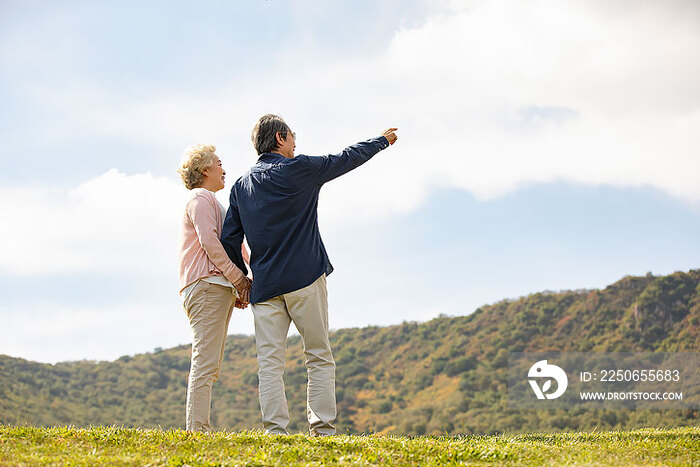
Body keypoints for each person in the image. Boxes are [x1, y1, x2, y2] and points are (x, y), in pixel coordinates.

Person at [221, 114, 397, 435]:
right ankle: (322, 430)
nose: (295, 142)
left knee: (269, 364)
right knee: (318, 355)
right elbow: (344, 159)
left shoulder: (240, 187)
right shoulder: (299, 168)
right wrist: (381, 141)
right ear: (280, 138)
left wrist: (242, 280)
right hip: (304, 278)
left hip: (264, 286)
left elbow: (229, 240)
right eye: (293, 136)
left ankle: (275, 432)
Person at [177, 144, 252, 432]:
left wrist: (235, 284)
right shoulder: (200, 198)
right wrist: (238, 280)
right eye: (219, 163)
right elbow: (210, 243)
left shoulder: (212, 203)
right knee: (206, 362)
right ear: (205, 170)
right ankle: (197, 432)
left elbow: (234, 247)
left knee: (211, 363)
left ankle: (199, 429)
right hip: (207, 285)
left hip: (214, 286)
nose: (224, 169)